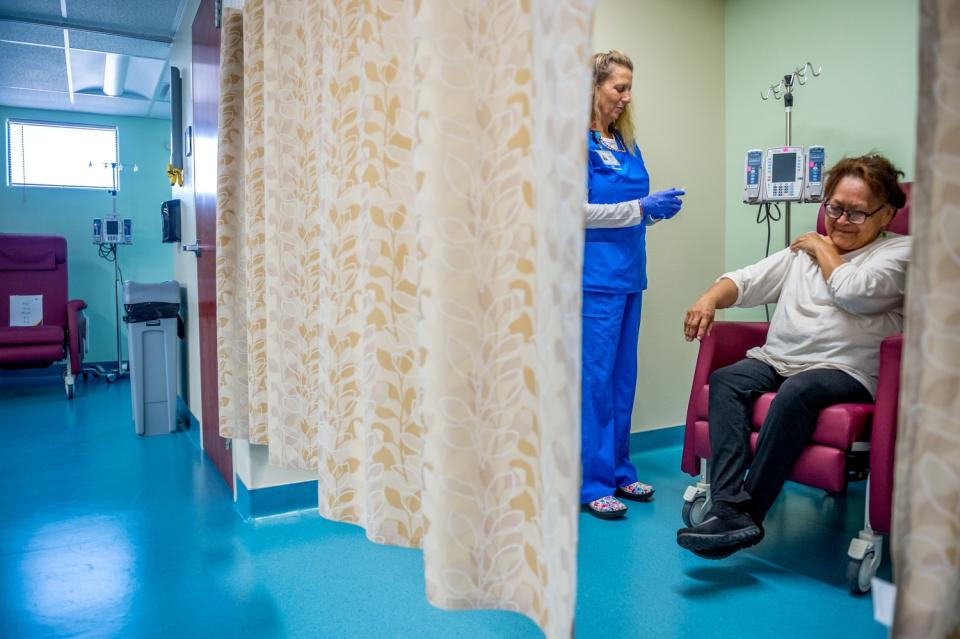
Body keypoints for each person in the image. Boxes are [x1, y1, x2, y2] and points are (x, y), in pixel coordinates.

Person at [675, 154, 911, 557]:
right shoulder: (803, 251)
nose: (839, 221)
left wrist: (821, 248)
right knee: (729, 380)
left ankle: (752, 513)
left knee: (799, 390)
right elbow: (747, 280)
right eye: (834, 208)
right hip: (778, 358)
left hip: (846, 369)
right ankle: (730, 506)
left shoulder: (901, 254)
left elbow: (853, 291)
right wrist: (711, 296)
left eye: (856, 214)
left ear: (886, 214)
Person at [580, 50, 685, 519]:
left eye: (629, 87)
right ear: (592, 88)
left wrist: (654, 212)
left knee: (623, 380)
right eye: (618, 87)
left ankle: (621, 471)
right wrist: (641, 210)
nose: (626, 96)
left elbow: (628, 209)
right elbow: (573, 213)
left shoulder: (626, 144)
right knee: (594, 382)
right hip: (592, 278)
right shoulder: (573, 144)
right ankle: (589, 482)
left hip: (629, 276)